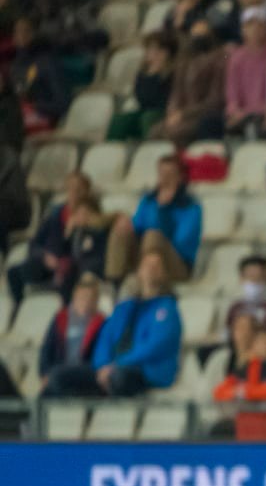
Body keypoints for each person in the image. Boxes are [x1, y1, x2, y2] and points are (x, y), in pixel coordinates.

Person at [44, 251, 183, 398]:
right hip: (111, 369)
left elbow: (154, 346)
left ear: (164, 273)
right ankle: (32, 419)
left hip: (146, 371)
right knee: (58, 376)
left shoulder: (167, 309)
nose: (151, 270)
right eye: (147, 265)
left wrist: (117, 365)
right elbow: (106, 338)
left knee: (119, 378)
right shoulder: (125, 307)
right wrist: (102, 365)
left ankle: (111, 416)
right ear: (139, 271)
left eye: (156, 266)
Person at [107, 156, 202, 285]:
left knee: (153, 236)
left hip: (177, 264)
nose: (164, 178)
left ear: (180, 177)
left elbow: (182, 243)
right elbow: (136, 226)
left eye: (169, 174)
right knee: (121, 230)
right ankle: (114, 283)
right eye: (161, 174)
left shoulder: (191, 207)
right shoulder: (149, 200)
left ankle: (146, 280)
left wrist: (163, 210)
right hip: (143, 254)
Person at [10, 172, 99, 303]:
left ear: (87, 192)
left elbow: (88, 251)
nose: (74, 193)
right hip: (48, 264)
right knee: (13, 273)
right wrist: (45, 257)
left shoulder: (92, 217)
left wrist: (72, 232)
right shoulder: (55, 215)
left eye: (79, 190)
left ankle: (63, 317)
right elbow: (34, 244)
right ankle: (19, 311)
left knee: (69, 279)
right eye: (70, 189)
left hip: (71, 269)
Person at [157, 18, 229, 148]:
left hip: (202, 115)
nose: (198, 38)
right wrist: (172, 111)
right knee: (155, 132)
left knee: (173, 133)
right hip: (181, 116)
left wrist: (183, 114)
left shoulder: (219, 60)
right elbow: (176, 94)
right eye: (195, 35)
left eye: (202, 34)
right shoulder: (184, 62)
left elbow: (215, 100)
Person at [37, 274, 105, 379]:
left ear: (95, 301)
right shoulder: (60, 318)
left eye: (90, 298)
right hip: (59, 370)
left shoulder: (101, 322)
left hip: (85, 372)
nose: (86, 302)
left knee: (57, 376)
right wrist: (44, 374)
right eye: (82, 297)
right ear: (75, 297)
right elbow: (46, 349)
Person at [225, 7, 266, 136]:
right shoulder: (237, 57)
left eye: (260, 25)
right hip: (243, 114)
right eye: (250, 25)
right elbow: (232, 94)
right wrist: (235, 111)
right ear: (243, 30)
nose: (255, 29)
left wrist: (249, 112)